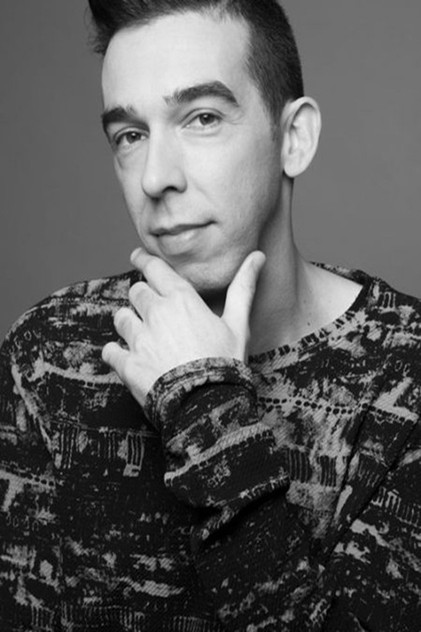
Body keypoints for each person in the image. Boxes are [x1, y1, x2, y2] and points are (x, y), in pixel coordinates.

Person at [0, 0, 419, 630]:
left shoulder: (406, 378)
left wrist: (202, 404)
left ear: (294, 138)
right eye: (131, 135)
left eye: (201, 118)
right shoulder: (47, 356)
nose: (156, 178)